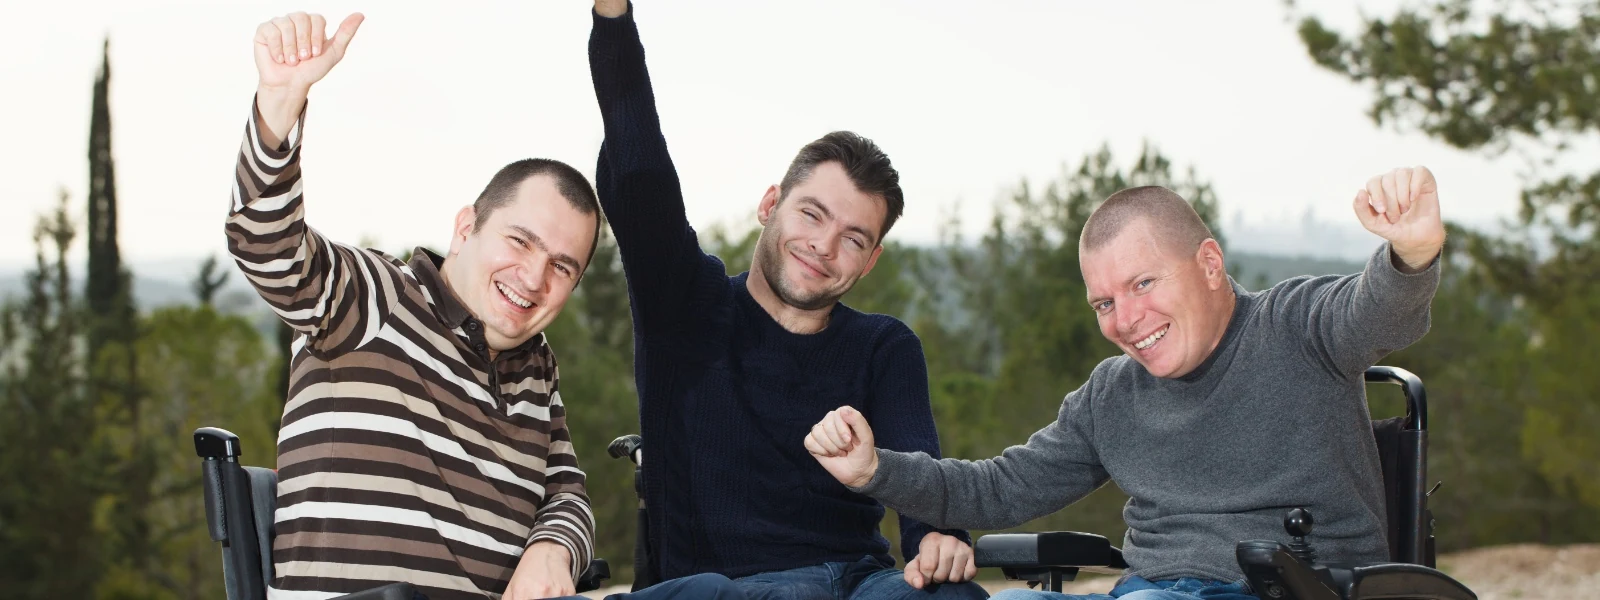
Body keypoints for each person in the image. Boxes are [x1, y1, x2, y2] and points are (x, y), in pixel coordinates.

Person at [229, 11, 746, 600]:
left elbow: (566, 494)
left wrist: (552, 549)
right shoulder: (378, 299)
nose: (533, 278)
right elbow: (267, 248)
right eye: (520, 241)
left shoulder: (534, 368)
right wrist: (279, 107)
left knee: (711, 592)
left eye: (562, 267)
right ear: (465, 228)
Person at [806, 167, 1448, 600]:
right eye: (1104, 303)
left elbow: (1379, 312)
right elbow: (998, 487)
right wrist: (874, 471)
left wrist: (1411, 255)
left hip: (1298, 587)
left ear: (1210, 264)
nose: (1126, 319)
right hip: (1150, 591)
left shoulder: (1297, 326)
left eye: (1143, 283)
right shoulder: (1112, 396)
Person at [586, 2, 989, 599]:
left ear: (871, 260)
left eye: (853, 239)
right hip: (727, 589)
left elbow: (917, 474)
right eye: (811, 214)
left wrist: (936, 535)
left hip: (860, 582)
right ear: (770, 204)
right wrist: (613, 20)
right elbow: (640, 171)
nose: (824, 246)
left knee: (953, 596)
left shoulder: (883, 347)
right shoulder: (684, 304)